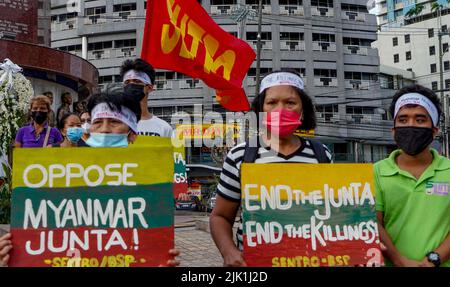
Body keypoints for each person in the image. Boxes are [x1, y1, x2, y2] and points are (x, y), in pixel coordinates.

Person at [1, 91, 181, 267]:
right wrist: (15, 257)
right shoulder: (60, 174)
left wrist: (156, 259)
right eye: (97, 122)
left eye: (114, 122)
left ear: (132, 134)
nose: (104, 129)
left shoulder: (150, 183)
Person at [209, 70, 332, 267]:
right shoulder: (240, 155)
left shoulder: (321, 154)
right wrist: (229, 252)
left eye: (290, 103)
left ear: (303, 110)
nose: (280, 109)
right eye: (272, 102)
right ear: (261, 109)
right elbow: (220, 217)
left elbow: (334, 213)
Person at [375, 84, 450, 267]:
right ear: (393, 130)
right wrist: (399, 260)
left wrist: (434, 260)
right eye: (403, 119)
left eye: (420, 120)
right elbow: (373, 224)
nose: (410, 125)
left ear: (434, 130)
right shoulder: (375, 172)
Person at [120, 58, 173, 137]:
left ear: (149, 88)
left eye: (137, 81)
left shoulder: (164, 128)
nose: (131, 85)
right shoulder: (113, 124)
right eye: (127, 82)